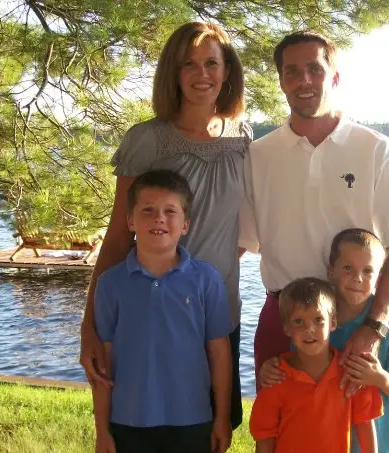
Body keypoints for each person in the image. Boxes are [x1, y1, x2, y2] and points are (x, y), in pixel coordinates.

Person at [80, 22, 251, 430]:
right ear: (172, 73)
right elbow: (119, 235)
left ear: (228, 71)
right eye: (188, 64)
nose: (201, 74)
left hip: (218, 313)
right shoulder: (147, 140)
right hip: (151, 315)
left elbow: (239, 225)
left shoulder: (242, 136)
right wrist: (89, 326)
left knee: (213, 425)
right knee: (145, 427)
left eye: (212, 63)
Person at [239, 31, 389, 388]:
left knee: (359, 438)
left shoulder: (377, 150)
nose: (304, 81)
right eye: (292, 71)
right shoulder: (257, 156)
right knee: (279, 436)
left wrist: (374, 327)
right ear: (281, 81)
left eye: (315, 69)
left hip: (354, 321)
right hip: (283, 318)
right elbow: (237, 246)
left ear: (334, 77)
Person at [92, 169, 233, 453]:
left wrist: (222, 418)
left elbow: (219, 354)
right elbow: (104, 363)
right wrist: (102, 428)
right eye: (148, 210)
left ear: (185, 225)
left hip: (192, 420)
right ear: (130, 221)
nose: (159, 218)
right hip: (128, 421)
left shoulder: (206, 279)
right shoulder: (110, 283)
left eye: (170, 211)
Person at [260, 229, 389, 453]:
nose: (357, 278)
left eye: (368, 271)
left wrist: (379, 378)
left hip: (376, 444)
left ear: (379, 277)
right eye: (348, 268)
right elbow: (296, 369)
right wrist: (270, 369)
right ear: (331, 270)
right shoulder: (316, 320)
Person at [249, 277, 382, 453]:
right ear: (286, 328)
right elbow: (264, 439)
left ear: (332, 323)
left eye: (318, 319)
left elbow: (365, 425)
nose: (309, 329)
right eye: (298, 321)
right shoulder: (275, 377)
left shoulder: (350, 372)